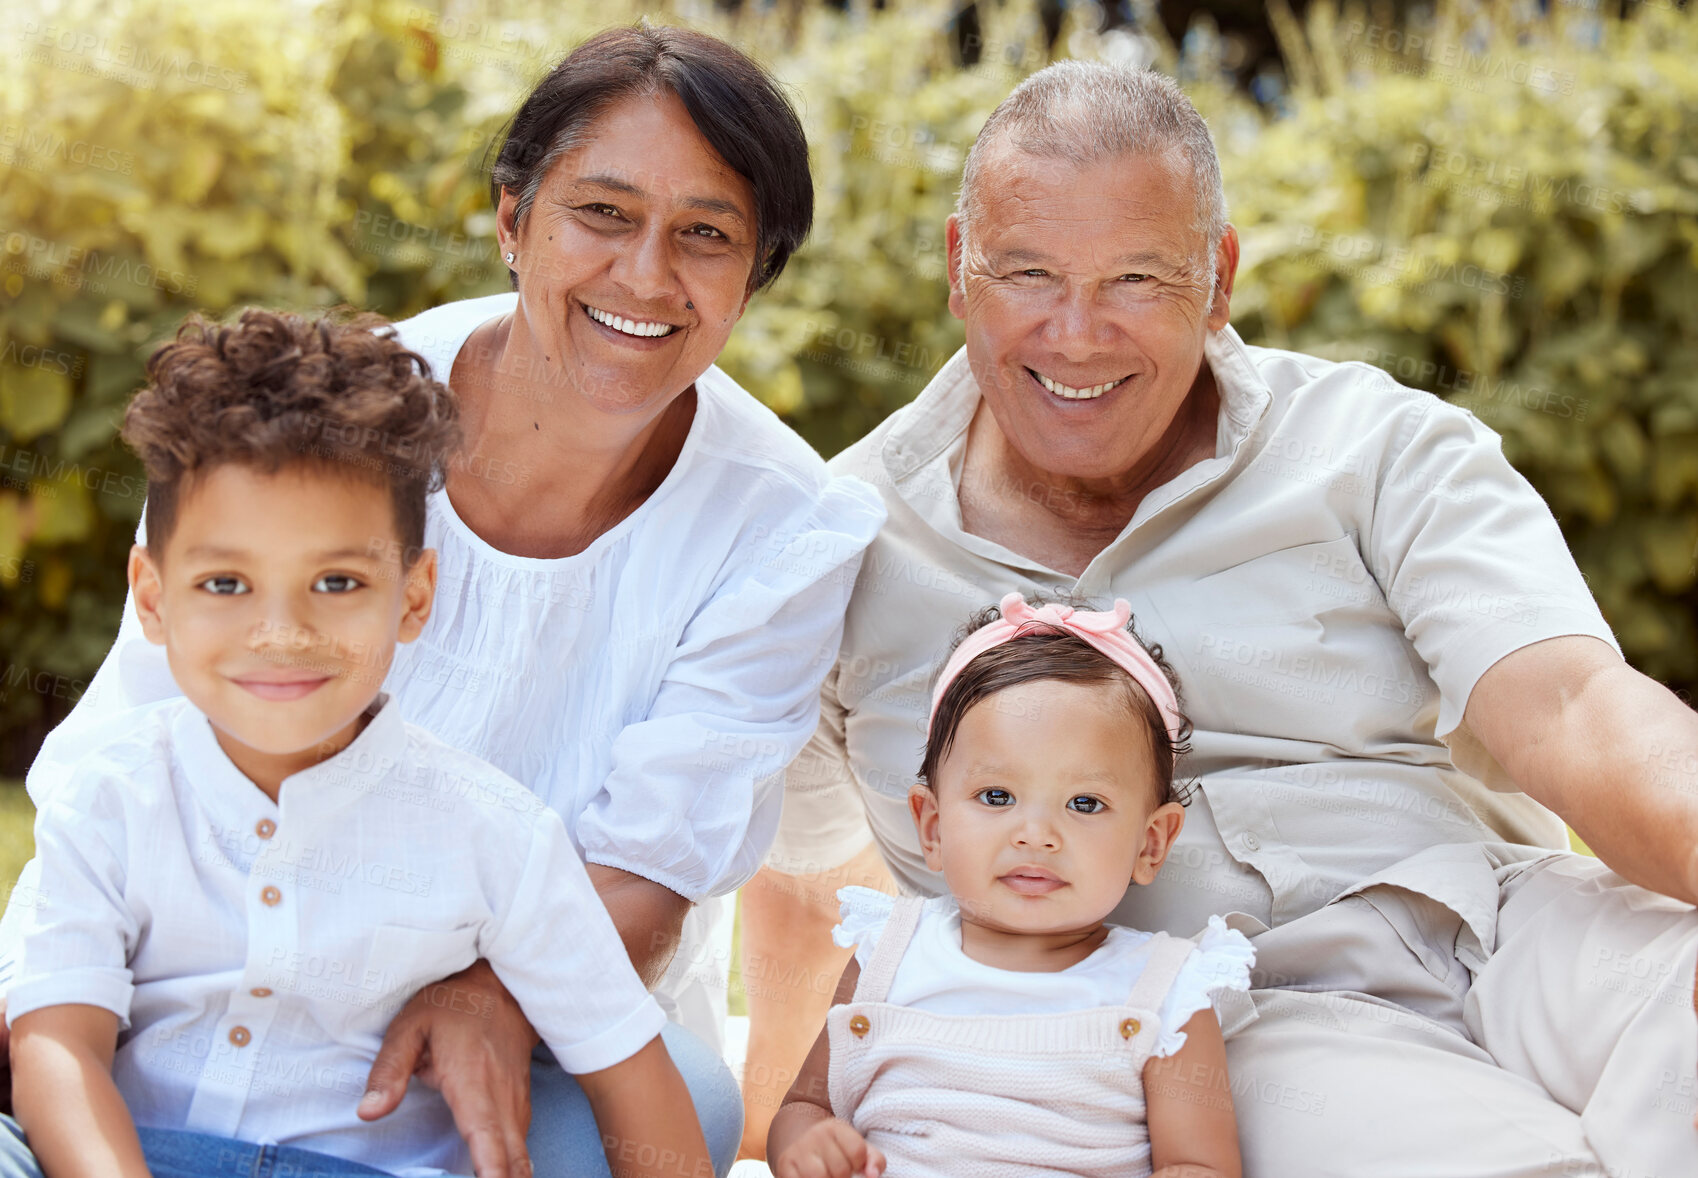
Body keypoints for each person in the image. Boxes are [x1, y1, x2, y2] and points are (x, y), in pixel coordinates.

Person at [743, 60, 1698, 1176]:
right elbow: (811, 888)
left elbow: (1577, 704)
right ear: (960, 268)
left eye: (1138, 279)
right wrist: (777, 1135)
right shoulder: (841, 548)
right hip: (1232, 1009)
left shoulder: (1375, 445)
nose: (1079, 333)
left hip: (1502, 917)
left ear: (1220, 276)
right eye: (1028, 273)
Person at [1, 25, 886, 1178]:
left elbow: (648, 867)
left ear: (755, 272)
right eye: (603, 214)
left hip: (533, 993)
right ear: (513, 219)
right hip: (195, 975)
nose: (646, 275)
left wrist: (495, 993)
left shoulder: (783, 525)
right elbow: (128, 747)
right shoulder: (319, 429)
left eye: (705, 235)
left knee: (670, 1107)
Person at [4, 309, 710, 1178]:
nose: (280, 630)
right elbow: (59, 1048)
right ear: (152, 597)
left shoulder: (496, 835)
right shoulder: (108, 799)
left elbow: (630, 1072)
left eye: (337, 582)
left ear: (414, 597)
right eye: (225, 583)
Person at [767, 593, 1251, 1178]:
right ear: (933, 826)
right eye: (997, 797)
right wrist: (808, 1145)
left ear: (1151, 843)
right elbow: (807, 1105)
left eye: (1085, 803)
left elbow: (1198, 1165)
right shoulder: (888, 955)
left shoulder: (1165, 991)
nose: (1036, 835)